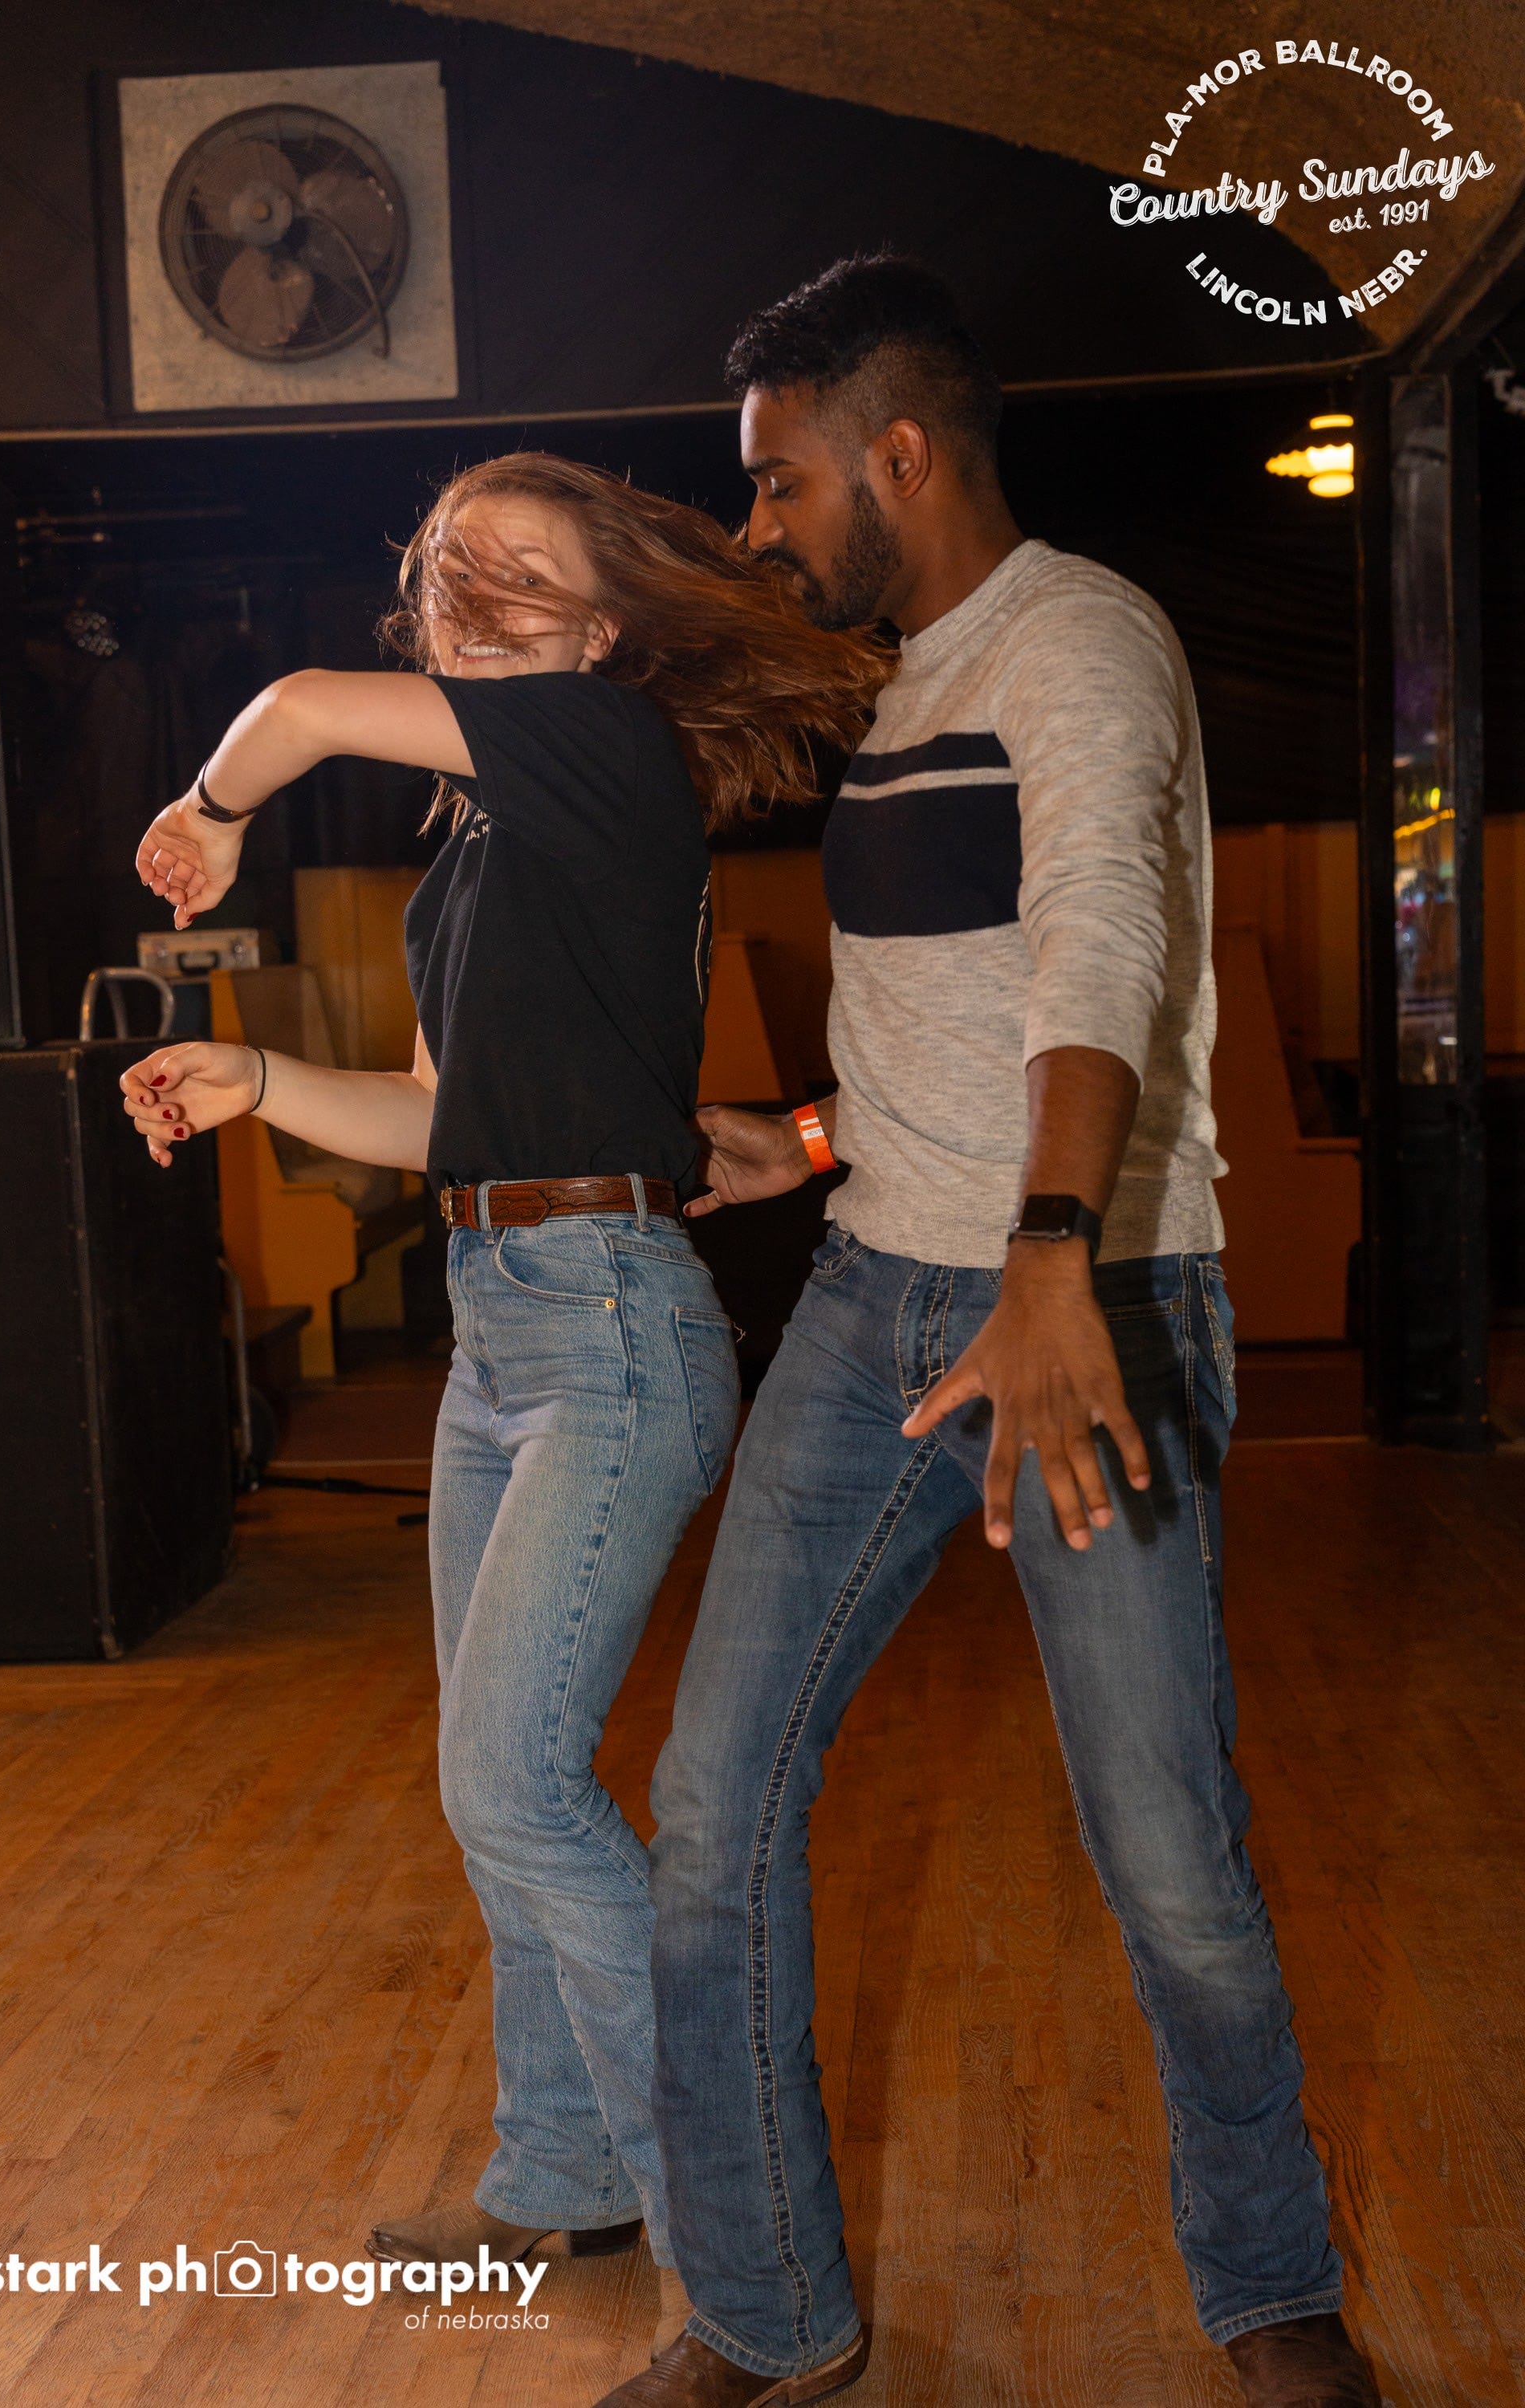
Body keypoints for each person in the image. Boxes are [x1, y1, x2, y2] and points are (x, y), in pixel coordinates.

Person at [596, 263, 1381, 2408]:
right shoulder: (897, 682)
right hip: (874, 1290)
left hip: (1091, 1298)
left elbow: (1101, 952)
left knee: (1166, 1850)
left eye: (779, 482)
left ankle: (1269, 2287)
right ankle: (762, 2317)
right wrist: (809, 1138)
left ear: (899, 453)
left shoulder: (1082, 638)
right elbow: (941, 1008)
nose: (757, 524)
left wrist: (1050, 1262)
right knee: (714, 1811)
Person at [121, 454, 885, 2363]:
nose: (467, 591)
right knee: (501, 1797)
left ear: (605, 631)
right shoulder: (482, 841)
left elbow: (296, 711)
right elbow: (430, 1120)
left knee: (515, 1787)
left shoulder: (601, 749)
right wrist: (252, 1080)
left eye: (516, 569)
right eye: (448, 566)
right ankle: (563, 2173)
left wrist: (210, 812)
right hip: (500, 1326)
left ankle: (751, 2277)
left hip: (608, 1326)